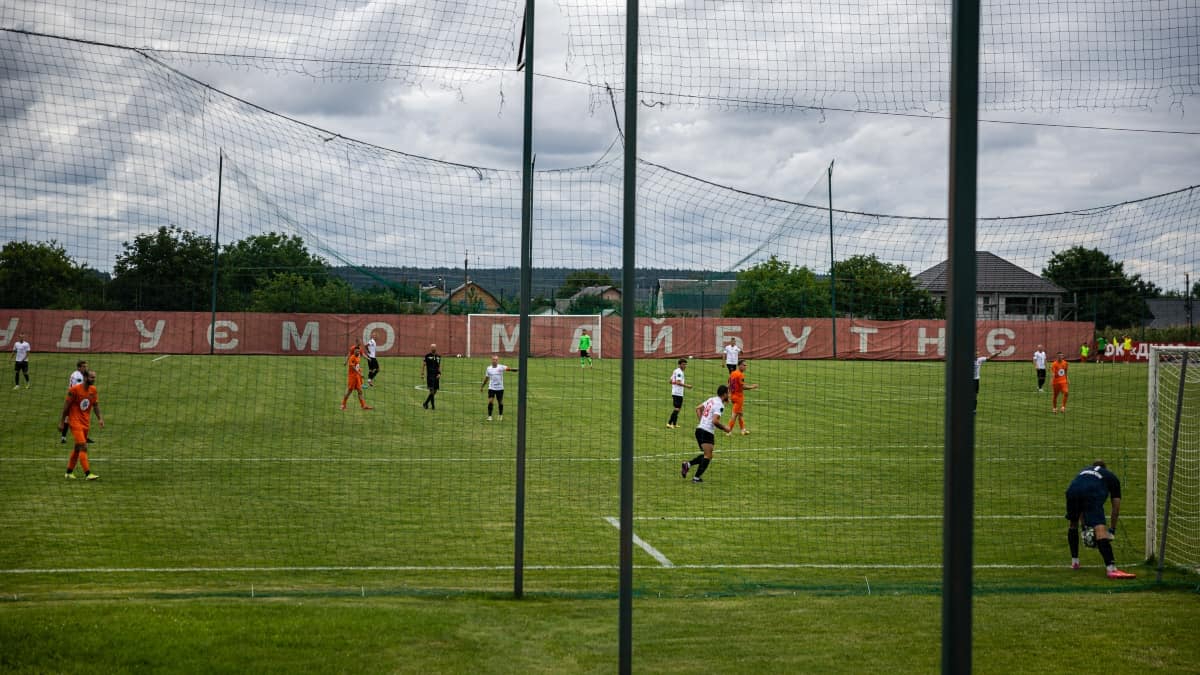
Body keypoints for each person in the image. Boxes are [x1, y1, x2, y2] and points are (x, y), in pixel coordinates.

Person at [1065, 460, 1135, 578]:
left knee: (1072, 524)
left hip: (1072, 490)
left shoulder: (1084, 471)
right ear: (1105, 468)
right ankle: (1111, 569)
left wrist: (1084, 527)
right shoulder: (1112, 477)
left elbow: (1081, 505)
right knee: (1100, 528)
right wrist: (1112, 530)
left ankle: (1075, 562)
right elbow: (1115, 507)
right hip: (1091, 493)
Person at [680, 384, 732, 483]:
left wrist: (702, 422)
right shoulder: (719, 405)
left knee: (707, 455)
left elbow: (698, 408)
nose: (729, 395)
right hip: (706, 432)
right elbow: (715, 421)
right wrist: (725, 428)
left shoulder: (711, 399)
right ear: (724, 394)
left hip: (699, 430)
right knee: (708, 456)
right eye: (728, 393)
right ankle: (696, 478)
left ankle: (688, 465)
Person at [60, 369, 104, 480]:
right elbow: (66, 407)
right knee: (83, 446)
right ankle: (88, 473)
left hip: (85, 423)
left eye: (94, 377)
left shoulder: (93, 390)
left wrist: (100, 418)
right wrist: (62, 422)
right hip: (74, 422)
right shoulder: (74, 390)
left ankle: (69, 472)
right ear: (85, 378)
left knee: (77, 448)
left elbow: (96, 405)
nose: (94, 379)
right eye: (92, 377)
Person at [727, 359, 760, 435]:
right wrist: (753, 387)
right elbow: (743, 387)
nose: (746, 367)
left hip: (733, 396)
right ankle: (729, 431)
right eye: (744, 365)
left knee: (740, 414)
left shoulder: (733, 373)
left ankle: (743, 430)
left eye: (746, 365)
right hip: (738, 397)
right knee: (734, 415)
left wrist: (728, 394)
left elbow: (728, 384)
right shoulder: (740, 375)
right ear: (740, 365)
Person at [481, 354, 518, 421]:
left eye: (496, 360)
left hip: (500, 388)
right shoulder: (488, 368)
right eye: (493, 359)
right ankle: (489, 416)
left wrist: (517, 369)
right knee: (490, 401)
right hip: (491, 388)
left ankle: (500, 415)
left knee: (500, 402)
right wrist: (482, 386)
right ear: (491, 360)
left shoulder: (501, 367)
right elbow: (486, 378)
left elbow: (509, 369)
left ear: (497, 361)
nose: (495, 361)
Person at [62, 360, 90, 443]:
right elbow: (78, 388)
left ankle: (83, 437)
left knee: (82, 417)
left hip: (79, 398)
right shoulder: (76, 375)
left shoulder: (83, 374)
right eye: (84, 366)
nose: (85, 368)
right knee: (68, 418)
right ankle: (63, 437)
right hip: (74, 398)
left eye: (86, 366)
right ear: (79, 367)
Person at [341, 344, 373, 411]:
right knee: (349, 391)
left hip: (357, 377)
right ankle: (343, 405)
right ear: (354, 351)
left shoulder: (358, 357)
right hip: (352, 377)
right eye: (356, 351)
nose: (358, 352)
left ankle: (363, 405)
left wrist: (367, 358)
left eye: (358, 351)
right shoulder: (352, 358)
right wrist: (360, 373)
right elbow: (353, 368)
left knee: (360, 391)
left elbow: (357, 366)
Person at [666, 358, 693, 429]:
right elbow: (678, 382)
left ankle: (674, 424)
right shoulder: (679, 372)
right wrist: (687, 386)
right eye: (683, 364)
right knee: (677, 409)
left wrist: (675, 383)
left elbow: (670, 381)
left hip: (676, 392)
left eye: (685, 364)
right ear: (679, 365)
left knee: (678, 408)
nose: (685, 366)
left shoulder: (676, 370)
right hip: (677, 393)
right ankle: (669, 423)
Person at [421, 343, 441, 410]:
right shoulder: (427, 356)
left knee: (435, 391)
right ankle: (432, 406)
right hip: (430, 376)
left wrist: (439, 373)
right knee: (431, 391)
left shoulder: (438, 356)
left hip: (436, 376)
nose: (433, 348)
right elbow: (424, 365)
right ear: (430, 348)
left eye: (434, 347)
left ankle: (426, 403)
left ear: (436, 348)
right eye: (432, 347)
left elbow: (438, 366)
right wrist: (422, 373)